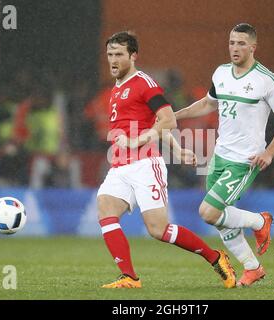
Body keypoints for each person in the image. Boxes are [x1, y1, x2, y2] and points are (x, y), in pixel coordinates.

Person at [97, 31, 236, 289]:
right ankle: (129, 277)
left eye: (118, 54)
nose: (113, 60)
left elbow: (168, 119)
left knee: (158, 230)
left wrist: (138, 141)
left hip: (145, 164)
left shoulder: (144, 83)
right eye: (109, 54)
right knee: (105, 210)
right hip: (119, 165)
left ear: (133, 56)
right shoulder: (117, 88)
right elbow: (155, 122)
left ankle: (215, 257)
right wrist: (178, 148)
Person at [175, 23, 274, 286]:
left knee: (208, 212)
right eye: (231, 42)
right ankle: (253, 268)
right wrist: (175, 116)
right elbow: (208, 104)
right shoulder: (221, 73)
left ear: (253, 47)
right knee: (220, 219)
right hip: (220, 155)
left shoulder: (267, 80)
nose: (235, 48)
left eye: (241, 43)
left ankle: (258, 220)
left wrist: (270, 152)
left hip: (245, 160)